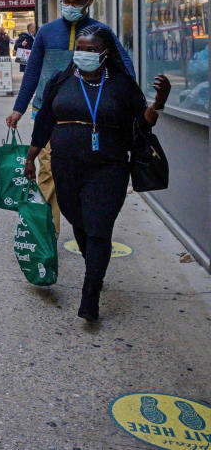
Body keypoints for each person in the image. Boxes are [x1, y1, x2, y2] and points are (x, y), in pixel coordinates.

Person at [25, 24, 170, 321]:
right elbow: (44, 121)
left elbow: (140, 127)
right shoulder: (61, 79)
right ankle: (94, 267)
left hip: (108, 168)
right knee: (78, 222)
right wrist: (32, 156)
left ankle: (90, 292)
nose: (84, 54)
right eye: (80, 48)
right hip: (65, 167)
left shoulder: (121, 85)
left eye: (91, 50)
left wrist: (158, 103)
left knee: (99, 228)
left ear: (105, 53)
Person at [6, 0, 134, 233]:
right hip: (50, 115)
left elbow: (125, 69)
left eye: (76, 2)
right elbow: (32, 73)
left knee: (79, 176)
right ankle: (47, 234)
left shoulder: (101, 34)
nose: (70, 6)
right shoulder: (46, 32)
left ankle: (85, 227)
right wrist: (19, 109)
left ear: (89, 3)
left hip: (90, 119)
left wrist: (127, 106)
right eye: (66, 1)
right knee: (47, 175)